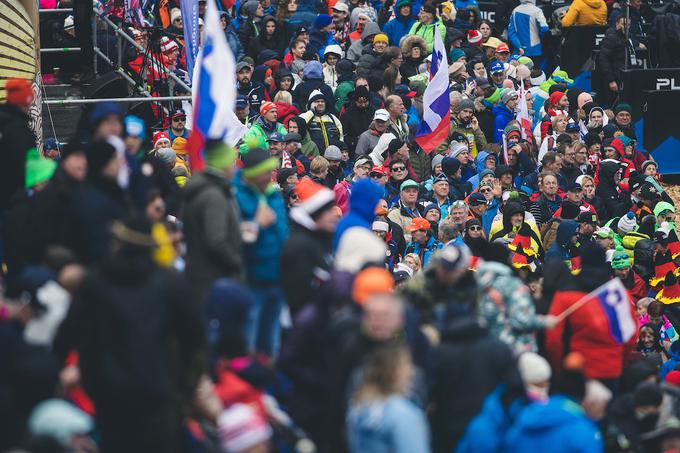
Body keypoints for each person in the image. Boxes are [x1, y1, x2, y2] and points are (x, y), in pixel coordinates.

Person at [54, 217, 205, 453]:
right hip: (158, 393)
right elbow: (196, 339)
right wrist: (183, 388)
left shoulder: (94, 282)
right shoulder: (170, 284)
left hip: (109, 395)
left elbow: (66, 337)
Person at [234, 148, 289, 355]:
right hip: (252, 280)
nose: (270, 176)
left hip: (277, 278)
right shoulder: (236, 194)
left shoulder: (273, 195)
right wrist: (256, 224)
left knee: (272, 343)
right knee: (250, 340)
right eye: (266, 172)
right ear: (253, 173)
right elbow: (233, 238)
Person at [346, 344, 430, 453]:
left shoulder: (358, 408)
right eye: (407, 364)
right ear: (394, 371)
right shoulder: (404, 415)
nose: (412, 372)